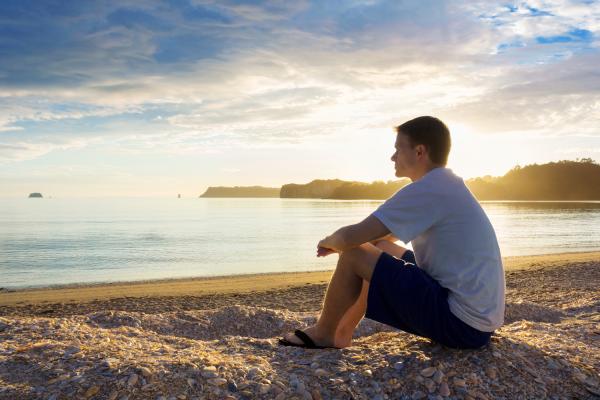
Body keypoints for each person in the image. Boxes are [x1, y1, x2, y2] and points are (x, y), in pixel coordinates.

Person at [279, 116, 505, 349]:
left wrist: (330, 242)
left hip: (460, 324)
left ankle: (324, 333)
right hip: (477, 322)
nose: (393, 156)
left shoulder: (428, 189)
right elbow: (379, 240)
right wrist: (357, 245)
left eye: (398, 149)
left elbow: (351, 238)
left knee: (354, 252)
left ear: (419, 152)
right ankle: (342, 332)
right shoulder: (445, 185)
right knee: (378, 248)